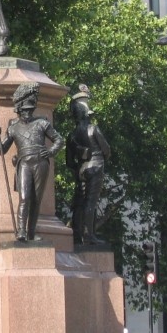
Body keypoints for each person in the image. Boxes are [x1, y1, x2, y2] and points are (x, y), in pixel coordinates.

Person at [0, 82, 64, 242]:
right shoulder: (13, 128)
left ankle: (31, 232)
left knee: (36, 201)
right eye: (25, 110)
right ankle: (21, 231)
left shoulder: (42, 123)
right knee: (24, 198)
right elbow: (2, 149)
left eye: (30, 110)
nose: (27, 113)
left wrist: (51, 151)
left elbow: (59, 140)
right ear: (19, 110)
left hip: (41, 162)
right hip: (24, 163)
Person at [65, 85, 111, 246]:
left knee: (80, 202)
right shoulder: (93, 129)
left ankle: (78, 234)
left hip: (81, 169)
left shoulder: (71, 135)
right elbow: (106, 150)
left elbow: (69, 162)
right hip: (96, 166)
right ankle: (89, 235)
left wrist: (79, 167)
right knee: (91, 202)